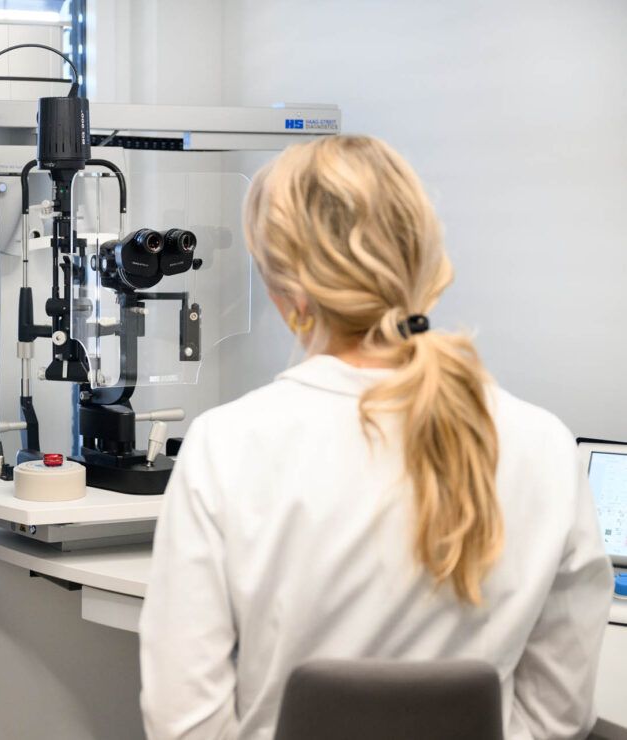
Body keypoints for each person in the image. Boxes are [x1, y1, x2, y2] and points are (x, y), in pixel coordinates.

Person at [138, 136, 612, 740]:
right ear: (420, 257)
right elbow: (560, 716)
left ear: (290, 297)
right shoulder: (543, 446)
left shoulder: (225, 447)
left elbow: (185, 724)